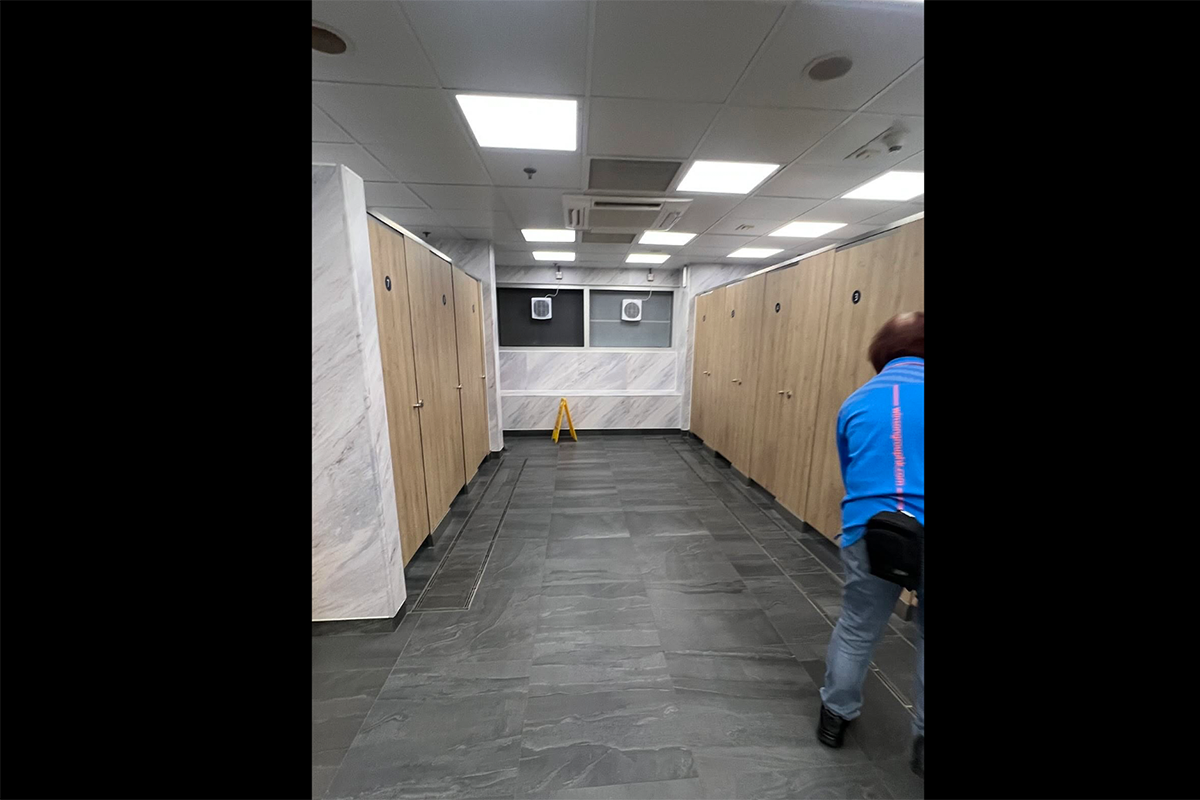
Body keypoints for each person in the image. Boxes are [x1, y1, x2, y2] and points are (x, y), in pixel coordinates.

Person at [816, 311, 925, 779]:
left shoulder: (856, 401)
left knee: (858, 626)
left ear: (883, 351)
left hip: (871, 531)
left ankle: (834, 718)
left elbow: (851, 470)